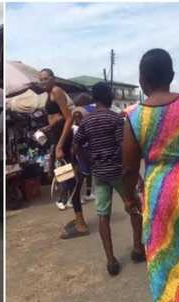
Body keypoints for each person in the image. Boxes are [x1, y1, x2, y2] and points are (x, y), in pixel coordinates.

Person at [122, 48, 179, 302]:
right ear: (171, 75)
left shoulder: (133, 115)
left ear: (141, 79)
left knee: (165, 257)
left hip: (160, 194)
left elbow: (128, 168)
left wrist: (129, 198)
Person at [74, 82, 144, 276]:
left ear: (94, 99)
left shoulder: (86, 122)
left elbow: (76, 145)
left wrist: (89, 163)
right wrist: (135, 175)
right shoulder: (115, 119)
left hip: (100, 174)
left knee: (103, 216)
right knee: (134, 208)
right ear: (110, 97)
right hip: (119, 172)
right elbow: (125, 148)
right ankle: (138, 249)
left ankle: (111, 260)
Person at [37, 68, 89, 237]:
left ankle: (81, 224)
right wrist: (48, 127)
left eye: (46, 78)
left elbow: (68, 118)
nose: (43, 81)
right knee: (65, 179)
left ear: (53, 79)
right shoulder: (49, 93)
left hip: (62, 139)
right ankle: (78, 218)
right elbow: (57, 117)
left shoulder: (57, 91)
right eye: (41, 79)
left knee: (68, 180)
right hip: (56, 134)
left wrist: (59, 145)